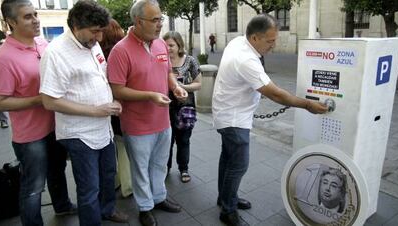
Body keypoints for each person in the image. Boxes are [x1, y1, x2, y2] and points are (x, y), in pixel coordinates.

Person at [212, 14, 329, 226]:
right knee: (238, 165)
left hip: (227, 112)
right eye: (270, 41)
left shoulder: (240, 41)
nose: (274, 45)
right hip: (234, 119)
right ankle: (227, 210)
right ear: (255, 38)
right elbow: (274, 93)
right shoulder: (245, 59)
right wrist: (307, 104)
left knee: (228, 159)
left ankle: (226, 197)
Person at [39, 1, 128, 225]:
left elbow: (101, 77)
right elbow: (49, 101)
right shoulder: (56, 52)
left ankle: (107, 210)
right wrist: (95, 110)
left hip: (103, 128)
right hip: (78, 134)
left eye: (101, 31)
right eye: (95, 31)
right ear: (76, 26)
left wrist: (113, 99)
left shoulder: (92, 44)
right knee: (89, 188)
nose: (99, 38)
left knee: (108, 176)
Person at [0, 0, 76, 225]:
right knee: (33, 186)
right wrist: (40, 99)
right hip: (30, 137)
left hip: (55, 126)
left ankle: (62, 206)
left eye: (35, 14)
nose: (36, 19)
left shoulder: (42, 42)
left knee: (57, 171)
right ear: (11, 22)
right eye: (28, 16)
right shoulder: (3, 57)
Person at [107, 1, 187, 225]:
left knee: (160, 164)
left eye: (161, 19)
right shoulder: (120, 51)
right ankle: (145, 207)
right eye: (155, 20)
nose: (160, 24)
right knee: (140, 169)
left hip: (163, 120)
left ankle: (159, 197)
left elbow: (168, 72)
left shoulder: (161, 44)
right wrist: (150, 96)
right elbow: (116, 89)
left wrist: (175, 86)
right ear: (138, 21)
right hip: (137, 124)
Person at [100, 18, 133, 198]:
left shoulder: (98, 53)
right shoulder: (121, 51)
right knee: (122, 148)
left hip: (107, 107)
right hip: (122, 106)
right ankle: (128, 185)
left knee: (112, 147)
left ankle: (115, 181)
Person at [163, 31, 202, 183]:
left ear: (179, 45)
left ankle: (183, 168)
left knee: (184, 140)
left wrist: (183, 87)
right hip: (165, 108)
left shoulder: (190, 61)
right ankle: (166, 168)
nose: (168, 48)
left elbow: (199, 83)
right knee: (167, 140)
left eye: (171, 45)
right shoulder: (160, 61)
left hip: (185, 108)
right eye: (165, 45)